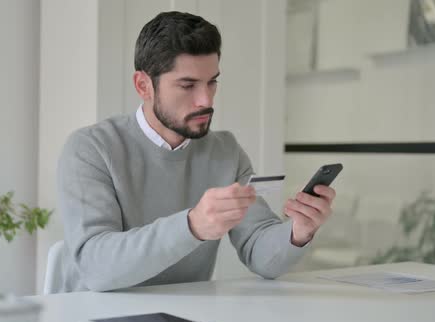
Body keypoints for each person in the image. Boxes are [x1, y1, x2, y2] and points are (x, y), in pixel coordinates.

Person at [56, 11, 336, 292]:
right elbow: (96, 268)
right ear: (143, 85)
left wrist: (298, 232)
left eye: (212, 81)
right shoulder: (90, 149)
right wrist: (192, 226)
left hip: (185, 316)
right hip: (92, 316)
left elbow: (260, 253)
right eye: (187, 85)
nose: (205, 100)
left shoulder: (225, 151)